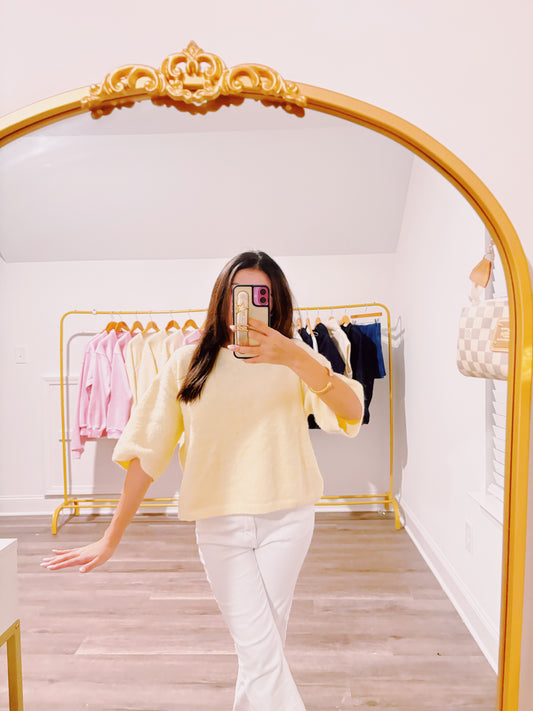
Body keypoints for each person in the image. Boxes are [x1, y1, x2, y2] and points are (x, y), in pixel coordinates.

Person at [42, 251, 364, 711]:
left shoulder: (297, 360)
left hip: (288, 520)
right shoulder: (186, 363)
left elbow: (352, 412)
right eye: (239, 293)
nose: (247, 303)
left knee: (260, 651)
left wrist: (297, 357)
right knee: (260, 650)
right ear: (222, 299)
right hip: (219, 525)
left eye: (260, 294)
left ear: (274, 302)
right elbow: (147, 452)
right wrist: (111, 537)